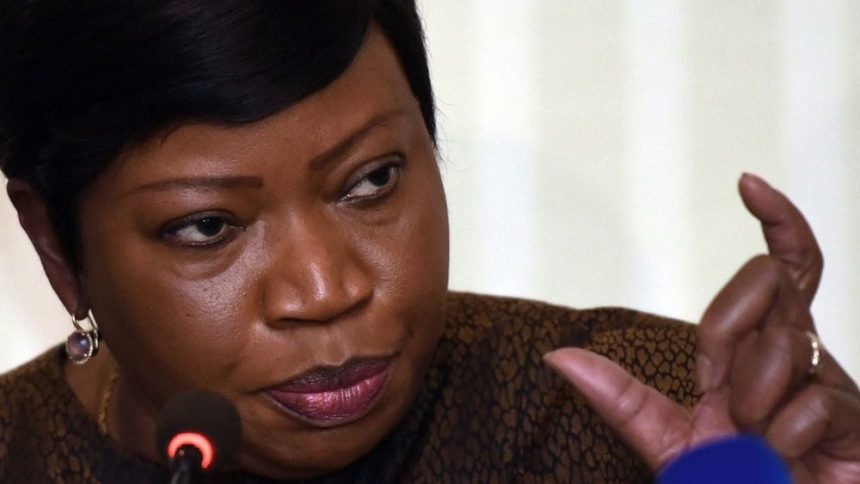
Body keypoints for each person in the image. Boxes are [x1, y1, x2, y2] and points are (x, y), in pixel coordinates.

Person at [0, 1, 858, 482]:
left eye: (371, 180)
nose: (326, 289)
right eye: (207, 227)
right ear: (55, 245)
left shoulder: (679, 430)